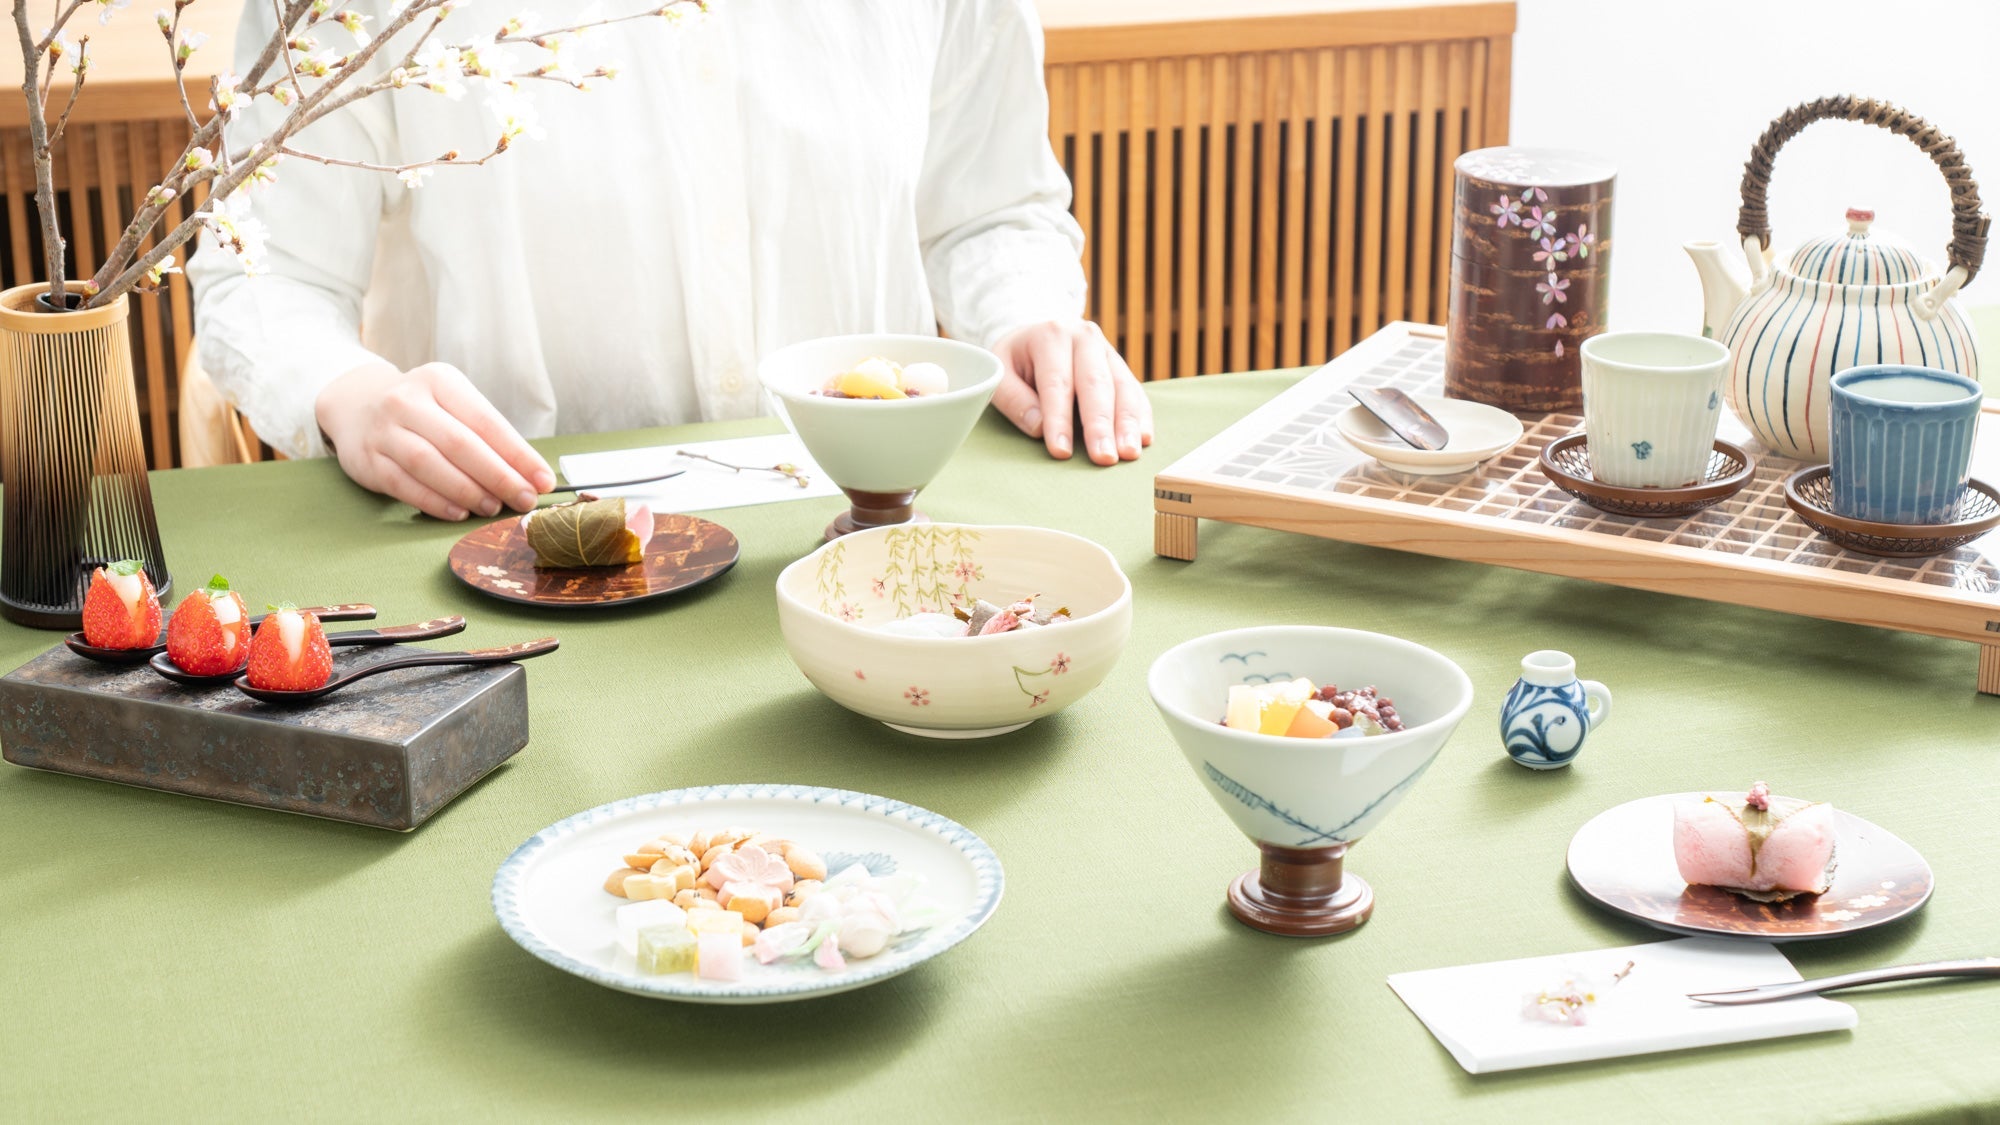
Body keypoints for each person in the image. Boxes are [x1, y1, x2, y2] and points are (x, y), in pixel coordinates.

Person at [188, 0, 1153, 522]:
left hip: (859, 530)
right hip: (506, 540)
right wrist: (347, 390)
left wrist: (1019, 312)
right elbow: (260, 269)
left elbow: (992, 208)